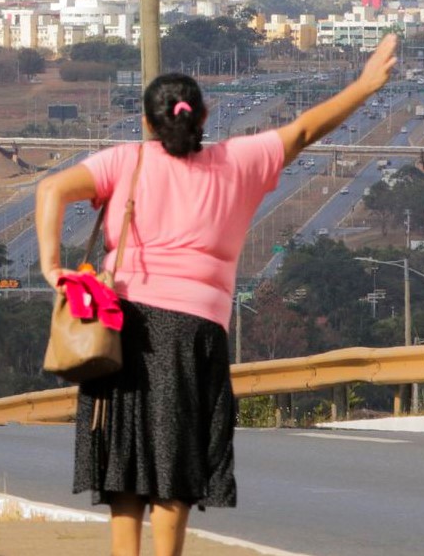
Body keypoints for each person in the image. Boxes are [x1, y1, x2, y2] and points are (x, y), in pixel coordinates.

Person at [34, 34, 397, 556]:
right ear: (204, 115)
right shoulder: (240, 161)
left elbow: (50, 190)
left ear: (146, 123)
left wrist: (52, 269)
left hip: (122, 324)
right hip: (195, 331)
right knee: (176, 456)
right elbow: (306, 129)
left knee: (124, 453)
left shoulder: (125, 161)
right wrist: (364, 85)